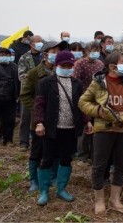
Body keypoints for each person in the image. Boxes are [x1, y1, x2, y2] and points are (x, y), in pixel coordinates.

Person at [78, 51, 123, 215]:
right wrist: (97, 111)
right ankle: (99, 200)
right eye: (122, 62)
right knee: (99, 166)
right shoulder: (99, 82)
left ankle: (115, 199)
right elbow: (83, 102)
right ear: (112, 66)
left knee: (121, 165)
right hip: (103, 130)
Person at [33, 51, 92, 206]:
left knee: (66, 158)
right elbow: (39, 104)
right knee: (47, 158)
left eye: (69, 66)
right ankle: (44, 191)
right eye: (63, 65)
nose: (67, 68)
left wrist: (87, 121)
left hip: (70, 128)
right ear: (57, 65)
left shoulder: (77, 83)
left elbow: (81, 105)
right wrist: (39, 122)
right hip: (51, 128)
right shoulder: (46, 83)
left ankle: (61, 189)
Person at [20, 41, 67, 192]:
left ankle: (53, 177)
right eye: (54, 52)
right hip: (39, 121)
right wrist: (38, 110)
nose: (56, 55)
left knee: (56, 149)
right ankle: (34, 180)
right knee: (37, 150)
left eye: (59, 52)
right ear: (45, 54)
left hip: (58, 120)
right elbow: (25, 95)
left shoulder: (62, 72)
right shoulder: (34, 73)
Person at [17, 35, 44, 150]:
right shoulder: (24, 57)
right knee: (26, 117)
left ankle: (39, 141)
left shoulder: (44, 56)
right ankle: (24, 142)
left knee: (40, 116)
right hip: (28, 91)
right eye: (38, 42)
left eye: (41, 42)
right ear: (31, 44)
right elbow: (21, 75)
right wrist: (33, 79)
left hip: (43, 91)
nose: (40, 44)